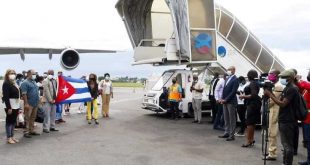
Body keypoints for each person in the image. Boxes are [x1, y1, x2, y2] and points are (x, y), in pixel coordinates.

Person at [264, 69, 299, 165]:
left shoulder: (291, 88)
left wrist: (270, 95)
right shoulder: (287, 87)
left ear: (290, 78)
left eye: (283, 77)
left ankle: (283, 160)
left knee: (287, 145)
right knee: (286, 144)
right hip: (284, 118)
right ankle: (284, 161)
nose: (281, 79)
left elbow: (282, 104)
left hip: (287, 119)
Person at [264, 69, 283, 161]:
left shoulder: (278, 86)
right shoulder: (274, 85)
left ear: (277, 75)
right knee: (270, 132)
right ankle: (271, 151)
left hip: (274, 111)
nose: (269, 75)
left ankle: (272, 153)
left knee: (272, 132)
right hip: (271, 110)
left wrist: (265, 104)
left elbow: (272, 101)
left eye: (272, 74)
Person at [239, 70, 262, 147]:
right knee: (252, 123)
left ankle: (248, 141)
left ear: (249, 76)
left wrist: (243, 96)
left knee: (249, 123)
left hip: (252, 105)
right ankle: (251, 139)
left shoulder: (252, 83)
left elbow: (253, 95)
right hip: (254, 104)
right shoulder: (256, 83)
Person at [218, 66, 239, 141]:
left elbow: (233, 92)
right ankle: (226, 132)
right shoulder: (227, 78)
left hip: (231, 102)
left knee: (232, 119)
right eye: (228, 70)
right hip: (225, 101)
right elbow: (224, 90)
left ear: (233, 70)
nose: (228, 71)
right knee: (226, 118)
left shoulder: (236, 79)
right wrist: (221, 98)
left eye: (229, 69)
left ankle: (232, 135)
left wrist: (225, 99)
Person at [20, 70, 40, 138]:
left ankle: (31, 130)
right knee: (27, 118)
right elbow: (24, 94)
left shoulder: (34, 82)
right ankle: (26, 132)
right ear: (28, 74)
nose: (34, 75)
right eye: (33, 74)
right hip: (29, 103)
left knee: (33, 117)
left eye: (35, 74)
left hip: (35, 103)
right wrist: (26, 103)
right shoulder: (25, 83)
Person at [2, 69, 20, 144]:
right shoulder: (6, 83)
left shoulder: (14, 83)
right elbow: (6, 97)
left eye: (14, 73)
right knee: (9, 122)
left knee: (13, 122)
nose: (13, 74)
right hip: (10, 105)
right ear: (7, 74)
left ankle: (12, 136)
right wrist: (9, 107)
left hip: (16, 105)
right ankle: (8, 137)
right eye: (11, 73)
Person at [297, 70, 310, 165]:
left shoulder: (308, 86)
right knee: (307, 141)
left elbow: (303, 85)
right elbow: (300, 89)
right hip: (306, 118)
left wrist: (298, 80)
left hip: (309, 119)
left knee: (309, 140)